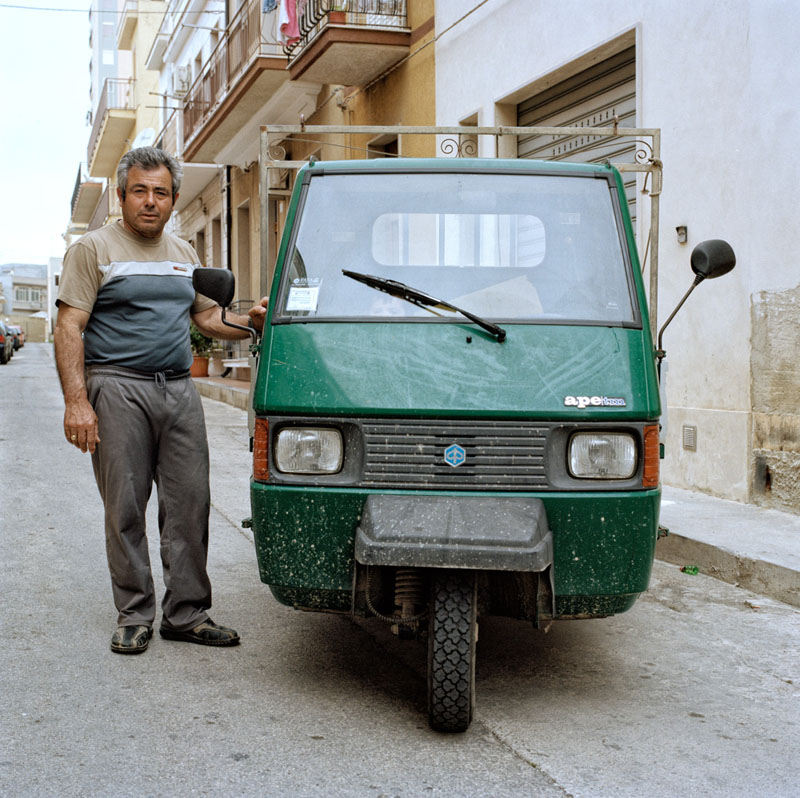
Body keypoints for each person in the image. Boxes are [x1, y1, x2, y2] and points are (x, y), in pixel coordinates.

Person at [55, 146, 268, 655]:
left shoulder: (184, 253)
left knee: (190, 504)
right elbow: (69, 326)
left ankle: (187, 614)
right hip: (116, 385)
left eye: (161, 192)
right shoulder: (93, 249)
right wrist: (77, 402)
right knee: (125, 505)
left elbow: (208, 319)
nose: (150, 201)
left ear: (173, 199)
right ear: (124, 196)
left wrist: (251, 322)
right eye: (140, 191)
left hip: (177, 388)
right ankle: (135, 613)